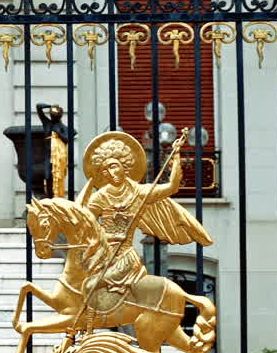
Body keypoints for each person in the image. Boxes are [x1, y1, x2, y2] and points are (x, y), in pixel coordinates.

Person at [77, 131, 211, 318]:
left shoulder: (141, 193)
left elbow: (172, 186)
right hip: (102, 252)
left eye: (114, 167)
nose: (111, 173)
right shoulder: (99, 196)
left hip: (124, 255)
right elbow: (86, 223)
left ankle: (90, 323)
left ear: (125, 167)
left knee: (91, 285)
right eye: (105, 170)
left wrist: (176, 155)